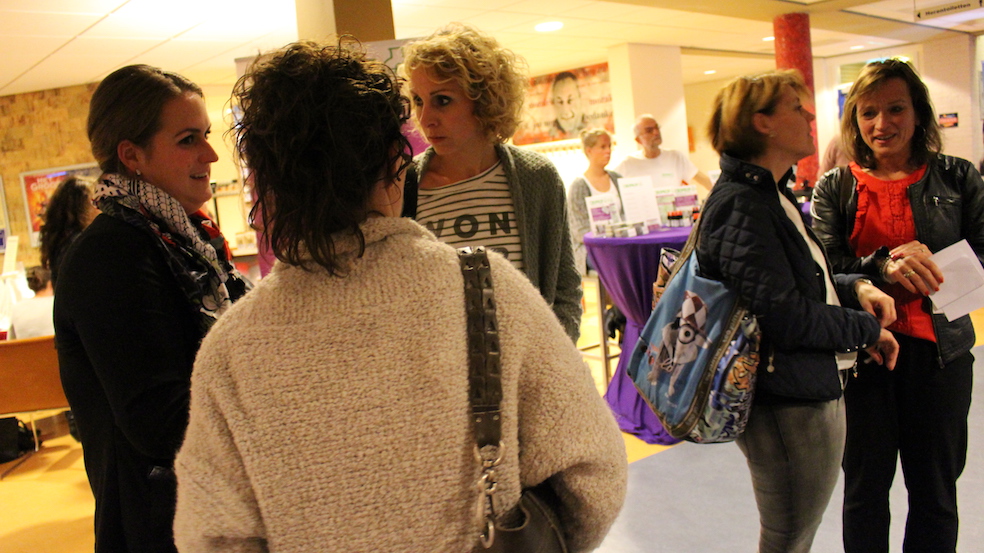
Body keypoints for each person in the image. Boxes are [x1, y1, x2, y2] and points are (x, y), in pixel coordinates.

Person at [172, 40, 627, 553]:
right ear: (395, 161)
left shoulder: (231, 350)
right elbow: (593, 473)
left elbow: (211, 535)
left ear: (266, 183)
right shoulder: (487, 288)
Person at [699, 69, 900, 553]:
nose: (810, 115)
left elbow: (804, 283)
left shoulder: (769, 194)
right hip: (784, 400)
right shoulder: (742, 204)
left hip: (800, 388)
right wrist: (866, 329)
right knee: (788, 538)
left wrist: (855, 288)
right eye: (796, 107)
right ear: (762, 122)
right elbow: (786, 317)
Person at [53, 64, 250, 552]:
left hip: (210, 508)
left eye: (206, 135)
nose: (210, 155)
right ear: (132, 155)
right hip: (161, 526)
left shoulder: (189, 240)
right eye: (188, 140)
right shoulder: (111, 254)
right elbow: (160, 421)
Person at [811, 58, 984, 553]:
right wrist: (880, 267)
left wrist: (938, 264)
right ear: (854, 119)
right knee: (864, 493)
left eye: (895, 109)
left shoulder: (957, 177)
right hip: (864, 357)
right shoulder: (835, 187)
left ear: (918, 112)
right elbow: (823, 274)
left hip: (940, 356)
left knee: (936, 492)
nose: (881, 124)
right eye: (868, 112)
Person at [399, 23, 583, 342]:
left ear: (483, 102)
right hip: (437, 365)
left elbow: (564, 287)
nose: (426, 118)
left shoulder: (535, 177)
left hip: (529, 361)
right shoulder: (404, 184)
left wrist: (553, 355)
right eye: (418, 100)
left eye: (442, 100)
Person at [612, 114, 713, 195]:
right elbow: (610, 186)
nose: (656, 132)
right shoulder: (628, 163)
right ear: (638, 140)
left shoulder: (675, 157)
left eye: (657, 128)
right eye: (649, 130)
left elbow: (705, 181)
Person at [567, 128, 623, 274]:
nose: (608, 151)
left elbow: (627, 215)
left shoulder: (617, 179)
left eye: (609, 146)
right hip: (591, 248)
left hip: (620, 243)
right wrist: (608, 238)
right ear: (589, 150)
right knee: (616, 261)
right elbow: (579, 231)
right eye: (603, 147)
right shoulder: (579, 186)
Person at [39, 176, 99, 286]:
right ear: (83, 207)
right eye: (95, 202)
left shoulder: (61, 241)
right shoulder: (81, 243)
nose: (99, 208)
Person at [7, 266, 55, 339]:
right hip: (52, 346)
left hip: (25, 346)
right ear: (50, 283)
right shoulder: (56, 304)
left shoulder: (16, 308)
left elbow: (11, 341)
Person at [549, 71, 587, 139]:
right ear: (553, 103)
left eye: (570, 100)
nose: (565, 110)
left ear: (580, 98)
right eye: (560, 102)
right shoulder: (548, 134)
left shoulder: (594, 128)